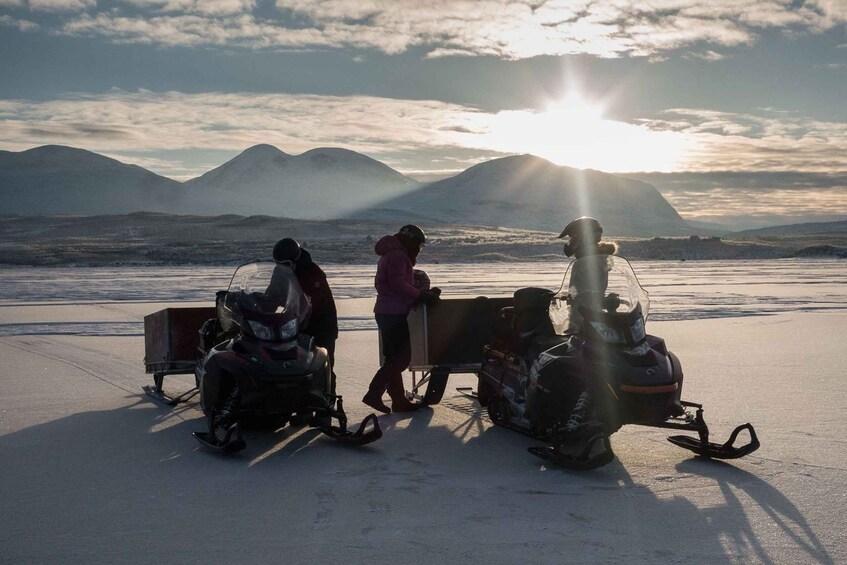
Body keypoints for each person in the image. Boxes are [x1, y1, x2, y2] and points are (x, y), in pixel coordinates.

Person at [363, 224, 440, 414]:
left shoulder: (391, 254)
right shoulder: (398, 255)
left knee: (393, 358)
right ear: (411, 241)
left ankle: (398, 400)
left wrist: (422, 290)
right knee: (401, 358)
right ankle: (374, 393)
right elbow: (397, 284)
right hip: (393, 312)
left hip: (388, 310)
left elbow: (398, 282)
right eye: (419, 246)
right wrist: (420, 296)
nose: (419, 251)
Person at [272, 238, 340, 394]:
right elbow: (273, 293)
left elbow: (316, 302)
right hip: (296, 327)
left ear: (295, 259)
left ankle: (326, 405)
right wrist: (259, 304)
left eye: (286, 264)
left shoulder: (313, 271)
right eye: (279, 264)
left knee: (324, 365)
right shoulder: (281, 270)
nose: (282, 267)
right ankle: (302, 407)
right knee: (297, 367)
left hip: (322, 326)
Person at [558, 216, 617, 333]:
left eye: (574, 237)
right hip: (591, 317)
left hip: (586, 321)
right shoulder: (592, 258)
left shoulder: (589, 260)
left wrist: (575, 325)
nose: (570, 242)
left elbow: (585, 296)